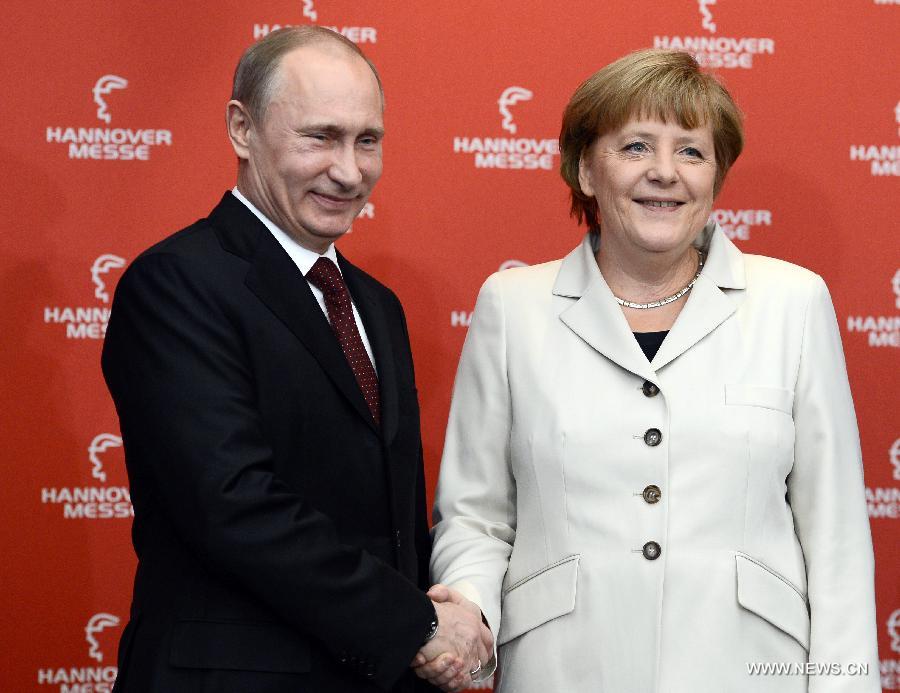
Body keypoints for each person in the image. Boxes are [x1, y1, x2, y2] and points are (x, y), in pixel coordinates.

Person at [428, 49, 880, 692]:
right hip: (563, 671)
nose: (665, 173)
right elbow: (477, 513)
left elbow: (834, 536)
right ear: (586, 168)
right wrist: (468, 616)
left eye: (691, 152)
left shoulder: (792, 302)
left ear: (716, 175)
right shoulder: (514, 306)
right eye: (636, 146)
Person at [102, 26, 489, 693]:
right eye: (321, 136)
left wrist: (451, 613)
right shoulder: (176, 282)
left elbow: (390, 522)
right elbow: (233, 503)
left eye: (367, 140)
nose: (349, 170)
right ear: (241, 130)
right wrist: (417, 624)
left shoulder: (376, 304)